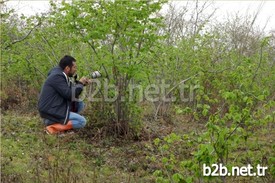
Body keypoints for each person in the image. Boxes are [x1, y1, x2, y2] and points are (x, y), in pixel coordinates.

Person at [38, 55, 90, 134]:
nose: (76, 70)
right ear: (67, 68)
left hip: (54, 106)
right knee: (81, 121)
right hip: (51, 109)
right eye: (74, 67)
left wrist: (81, 84)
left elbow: (69, 91)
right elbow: (69, 95)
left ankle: (56, 123)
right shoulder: (57, 76)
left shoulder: (60, 74)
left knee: (79, 103)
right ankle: (52, 128)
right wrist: (80, 84)